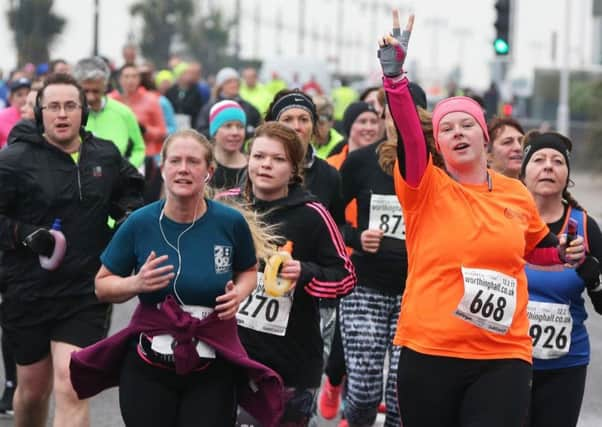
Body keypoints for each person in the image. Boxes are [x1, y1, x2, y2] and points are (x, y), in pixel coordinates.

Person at [379, 11, 585, 427]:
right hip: (430, 350)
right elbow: (408, 134)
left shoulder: (514, 193)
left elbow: (539, 250)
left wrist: (565, 249)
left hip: (502, 354)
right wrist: (396, 81)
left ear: (483, 137)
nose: (457, 133)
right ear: (436, 142)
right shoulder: (424, 185)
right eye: (447, 128)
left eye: (467, 125)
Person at [70, 129, 285, 427]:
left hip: (212, 364)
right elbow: (102, 285)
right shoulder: (139, 223)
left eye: (193, 162)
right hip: (149, 365)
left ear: (209, 171)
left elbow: (248, 270)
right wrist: (136, 283)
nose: (183, 169)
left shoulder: (230, 222)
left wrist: (238, 293)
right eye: (175, 161)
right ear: (163, 167)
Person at [0, 72, 144, 427]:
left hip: (84, 290)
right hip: (28, 290)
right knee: (33, 391)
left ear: (83, 111)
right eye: (53, 107)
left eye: (70, 106)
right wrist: (23, 233)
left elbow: (131, 193)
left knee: (72, 385)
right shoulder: (14, 160)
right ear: (40, 112)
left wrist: (127, 216)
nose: (62, 114)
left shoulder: (105, 155)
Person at [221, 122, 355, 425]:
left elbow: (345, 277)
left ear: (294, 167)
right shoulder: (226, 206)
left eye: (278, 159)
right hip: (229, 357)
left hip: (290, 364)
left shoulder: (312, 214)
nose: (265, 165)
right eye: (258, 156)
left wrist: (305, 272)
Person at [520, 131, 602, 427]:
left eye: (557, 161)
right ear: (523, 171)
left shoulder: (585, 225)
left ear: (567, 175)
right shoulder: (504, 219)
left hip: (565, 364)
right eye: (538, 159)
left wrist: (594, 278)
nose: (548, 166)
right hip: (504, 361)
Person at [265, 89, 345, 226]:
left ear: (313, 126)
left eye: (303, 119)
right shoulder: (260, 169)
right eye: (287, 119)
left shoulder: (329, 175)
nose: (296, 127)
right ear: (274, 126)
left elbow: (338, 229)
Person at [73, 57, 146, 168]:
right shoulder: (69, 114)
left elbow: (139, 148)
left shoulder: (123, 112)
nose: (91, 97)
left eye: (96, 91)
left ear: (105, 87)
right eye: (85, 91)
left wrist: (128, 170)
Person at [109, 64, 167, 159]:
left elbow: (162, 132)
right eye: (126, 76)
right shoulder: (110, 100)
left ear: (139, 79)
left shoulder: (151, 100)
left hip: (145, 155)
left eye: (134, 76)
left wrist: (144, 129)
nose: (130, 80)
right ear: (120, 79)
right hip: (116, 155)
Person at [196, 67, 261, 140]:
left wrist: (247, 132)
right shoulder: (211, 107)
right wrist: (221, 134)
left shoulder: (248, 107)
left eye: (236, 81)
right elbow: (201, 131)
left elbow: (260, 128)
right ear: (221, 85)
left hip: (242, 150)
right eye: (229, 82)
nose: (234, 84)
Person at [209, 100, 248, 190]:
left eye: (240, 126)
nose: (235, 132)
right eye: (228, 126)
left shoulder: (252, 168)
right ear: (214, 132)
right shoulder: (203, 165)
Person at [165, 62, 204, 130]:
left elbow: (198, 109)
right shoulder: (170, 91)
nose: (189, 76)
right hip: (174, 125)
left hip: (192, 125)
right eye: (185, 73)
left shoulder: (196, 90)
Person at [0, 77, 31, 148]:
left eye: (28, 94)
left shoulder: (38, 115)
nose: (25, 98)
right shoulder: (1, 117)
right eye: (19, 95)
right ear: (11, 99)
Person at [311, 95, 344, 159]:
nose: (315, 128)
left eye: (321, 123)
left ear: (331, 123)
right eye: (312, 122)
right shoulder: (300, 141)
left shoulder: (340, 145)